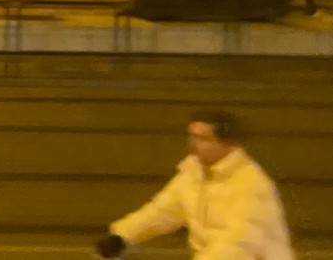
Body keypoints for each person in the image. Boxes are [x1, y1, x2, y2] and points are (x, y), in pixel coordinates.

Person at [95, 110, 293, 260]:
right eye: (192, 136)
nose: (193, 143)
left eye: (203, 138)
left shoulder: (251, 183)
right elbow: (162, 211)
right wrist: (122, 235)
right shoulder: (193, 174)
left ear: (228, 143)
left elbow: (240, 241)